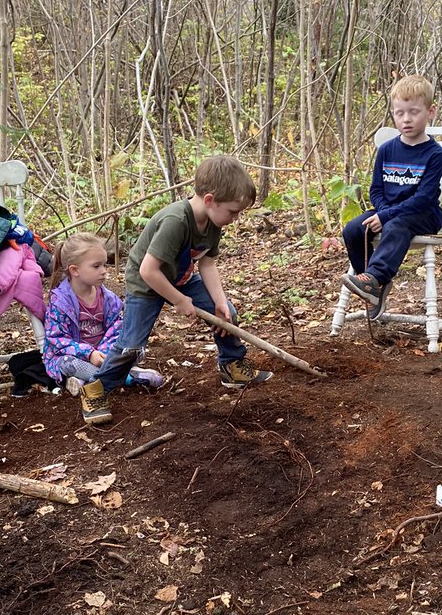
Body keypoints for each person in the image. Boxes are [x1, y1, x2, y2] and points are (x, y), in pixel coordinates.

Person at [78, 156, 271, 424]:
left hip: (181, 276)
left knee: (228, 314)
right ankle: (96, 388)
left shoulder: (215, 223)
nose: (235, 218)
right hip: (147, 282)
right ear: (209, 200)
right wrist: (179, 300)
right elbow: (148, 270)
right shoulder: (176, 221)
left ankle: (232, 366)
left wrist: (219, 301)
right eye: (233, 211)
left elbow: (207, 263)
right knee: (131, 346)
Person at [340, 74, 442, 319]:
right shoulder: (387, 149)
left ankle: (375, 277)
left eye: (414, 112)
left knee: (397, 225)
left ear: (430, 112)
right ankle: (373, 284)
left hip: (424, 214)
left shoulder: (434, 153)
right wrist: (381, 212)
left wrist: (386, 215)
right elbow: (376, 190)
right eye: (400, 113)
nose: (406, 119)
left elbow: (424, 198)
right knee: (354, 229)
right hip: (389, 211)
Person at [42, 233, 163, 397]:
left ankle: (85, 380)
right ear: (74, 270)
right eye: (96, 266)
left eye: (105, 265)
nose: (104, 272)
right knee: (68, 364)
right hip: (76, 356)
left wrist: (104, 352)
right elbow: (57, 340)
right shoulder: (60, 302)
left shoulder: (108, 299)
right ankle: (126, 377)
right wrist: (89, 353)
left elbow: (118, 329)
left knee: (135, 350)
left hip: (105, 355)